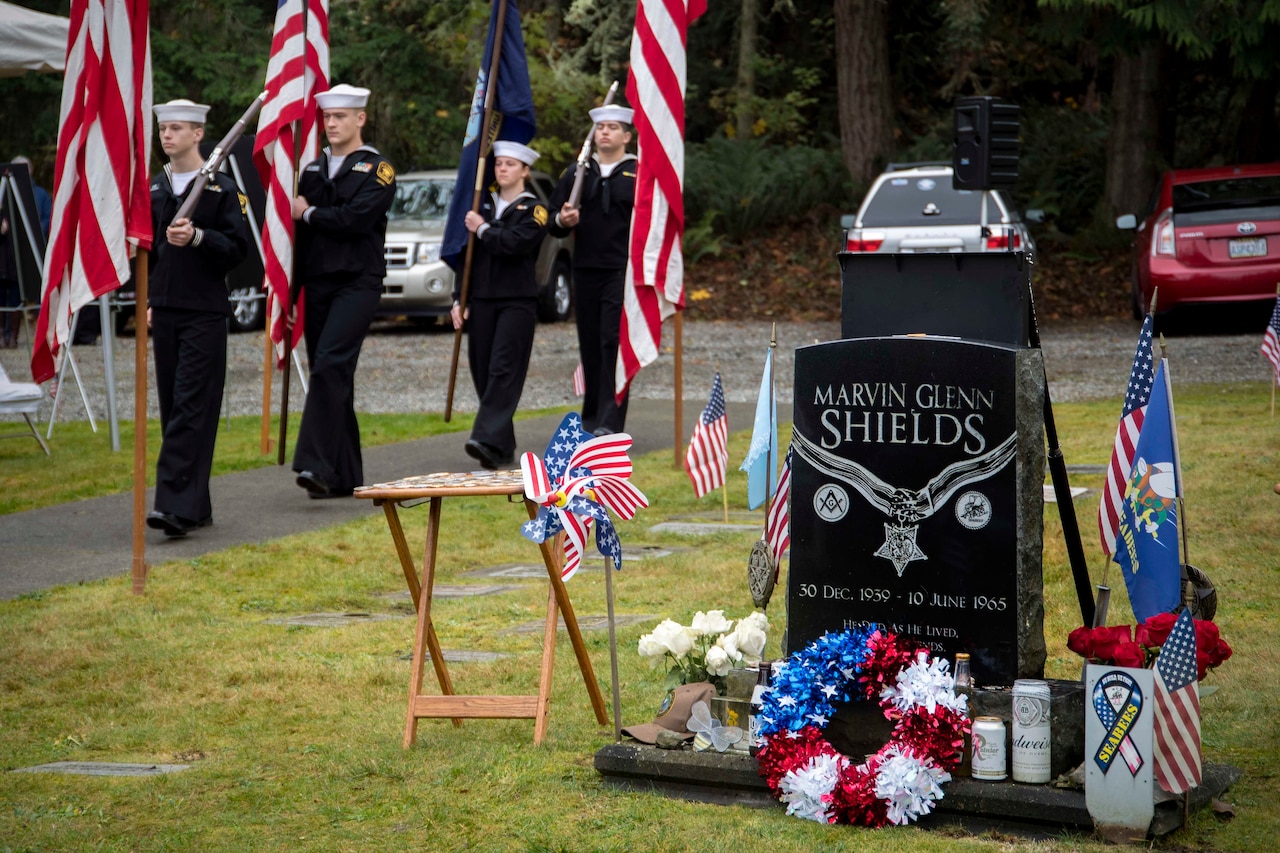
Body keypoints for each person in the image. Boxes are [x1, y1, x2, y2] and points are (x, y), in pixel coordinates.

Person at [145, 99, 250, 537]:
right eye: (163, 129)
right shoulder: (154, 188)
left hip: (204, 311)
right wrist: (148, 298)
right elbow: (149, 252)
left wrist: (201, 237)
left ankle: (171, 506)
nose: (167, 136)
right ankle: (196, 505)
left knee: (191, 405)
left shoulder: (222, 188)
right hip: (165, 309)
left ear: (197, 134)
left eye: (175, 128)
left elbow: (239, 249)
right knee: (175, 409)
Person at [291, 83, 396, 498]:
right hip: (318, 282)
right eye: (327, 117)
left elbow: (355, 219)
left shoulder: (378, 169)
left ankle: (314, 463)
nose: (331, 124)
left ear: (360, 119)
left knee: (330, 364)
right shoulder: (312, 171)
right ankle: (345, 474)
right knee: (335, 376)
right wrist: (290, 294)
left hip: (358, 282)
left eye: (339, 117)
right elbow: (300, 241)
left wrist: (310, 212)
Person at [450, 140, 548, 469]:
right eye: (498, 164)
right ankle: (501, 447)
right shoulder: (482, 205)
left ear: (525, 170)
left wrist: (484, 230)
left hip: (516, 301)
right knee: (482, 372)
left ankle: (486, 437)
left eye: (510, 164)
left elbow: (516, 244)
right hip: (481, 300)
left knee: (503, 369)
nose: (502, 169)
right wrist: (457, 299)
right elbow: (466, 257)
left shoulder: (533, 209)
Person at [548, 104, 637, 436]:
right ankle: (592, 418)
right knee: (589, 343)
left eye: (613, 127)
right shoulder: (577, 172)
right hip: (585, 269)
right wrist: (562, 219)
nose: (605, 132)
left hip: (622, 269)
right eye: (601, 127)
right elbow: (552, 217)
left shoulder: (638, 172)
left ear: (626, 136)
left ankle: (610, 421)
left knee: (611, 342)